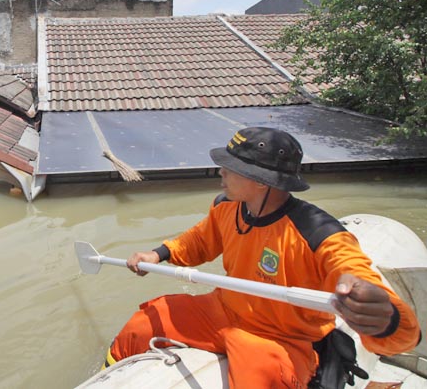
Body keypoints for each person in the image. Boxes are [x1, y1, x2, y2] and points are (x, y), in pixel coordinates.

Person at [105, 127, 420, 389]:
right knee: (142, 324)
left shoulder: (317, 232)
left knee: (259, 375)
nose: (221, 172)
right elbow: (200, 240)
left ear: (260, 180)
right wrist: (157, 254)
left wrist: (386, 318)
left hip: (282, 336)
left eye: (231, 168)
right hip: (222, 309)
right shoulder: (227, 206)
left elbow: (352, 269)